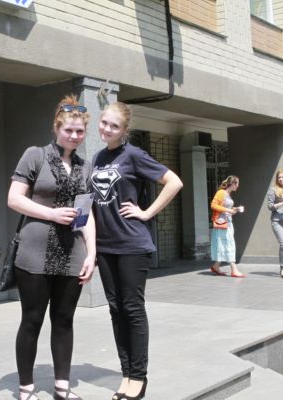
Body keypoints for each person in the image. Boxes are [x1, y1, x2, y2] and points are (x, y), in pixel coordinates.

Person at [90, 102, 183, 400]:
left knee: (132, 309)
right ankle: (126, 373)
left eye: (114, 126)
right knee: (116, 310)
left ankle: (139, 377)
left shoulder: (133, 155)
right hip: (106, 246)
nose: (107, 129)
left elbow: (174, 182)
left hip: (131, 244)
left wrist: (146, 212)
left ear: (125, 130)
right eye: (104, 122)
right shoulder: (98, 157)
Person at [7, 95, 96, 400]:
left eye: (80, 131)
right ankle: (26, 388)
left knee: (64, 320)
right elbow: (14, 199)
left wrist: (92, 253)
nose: (74, 135)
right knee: (32, 320)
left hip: (72, 254)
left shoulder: (85, 167)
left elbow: (86, 215)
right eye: (68, 129)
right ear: (57, 128)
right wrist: (52, 214)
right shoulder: (35, 156)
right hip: (34, 253)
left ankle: (61, 387)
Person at [209, 175, 246, 278]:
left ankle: (216, 266)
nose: (238, 186)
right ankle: (234, 270)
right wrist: (229, 210)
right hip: (222, 224)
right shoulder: (221, 192)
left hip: (228, 223)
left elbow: (225, 208)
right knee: (229, 245)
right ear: (232, 183)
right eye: (237, 183)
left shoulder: (228, 194)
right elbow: (213, 205)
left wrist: (235, 209)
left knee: (224, 245)